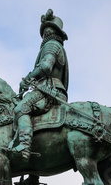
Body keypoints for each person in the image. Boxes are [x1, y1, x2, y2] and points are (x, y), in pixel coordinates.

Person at [8, 9, 69, 160]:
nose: (46, 30)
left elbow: (46, 67)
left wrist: (27, 78)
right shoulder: (55, 45)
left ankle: (25, 146)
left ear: (56, 32)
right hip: (51, 89)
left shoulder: (51, 45)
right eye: (45, 28)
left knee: (21, 108)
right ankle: (33, 174)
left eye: (50, 28)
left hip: (48, 90)